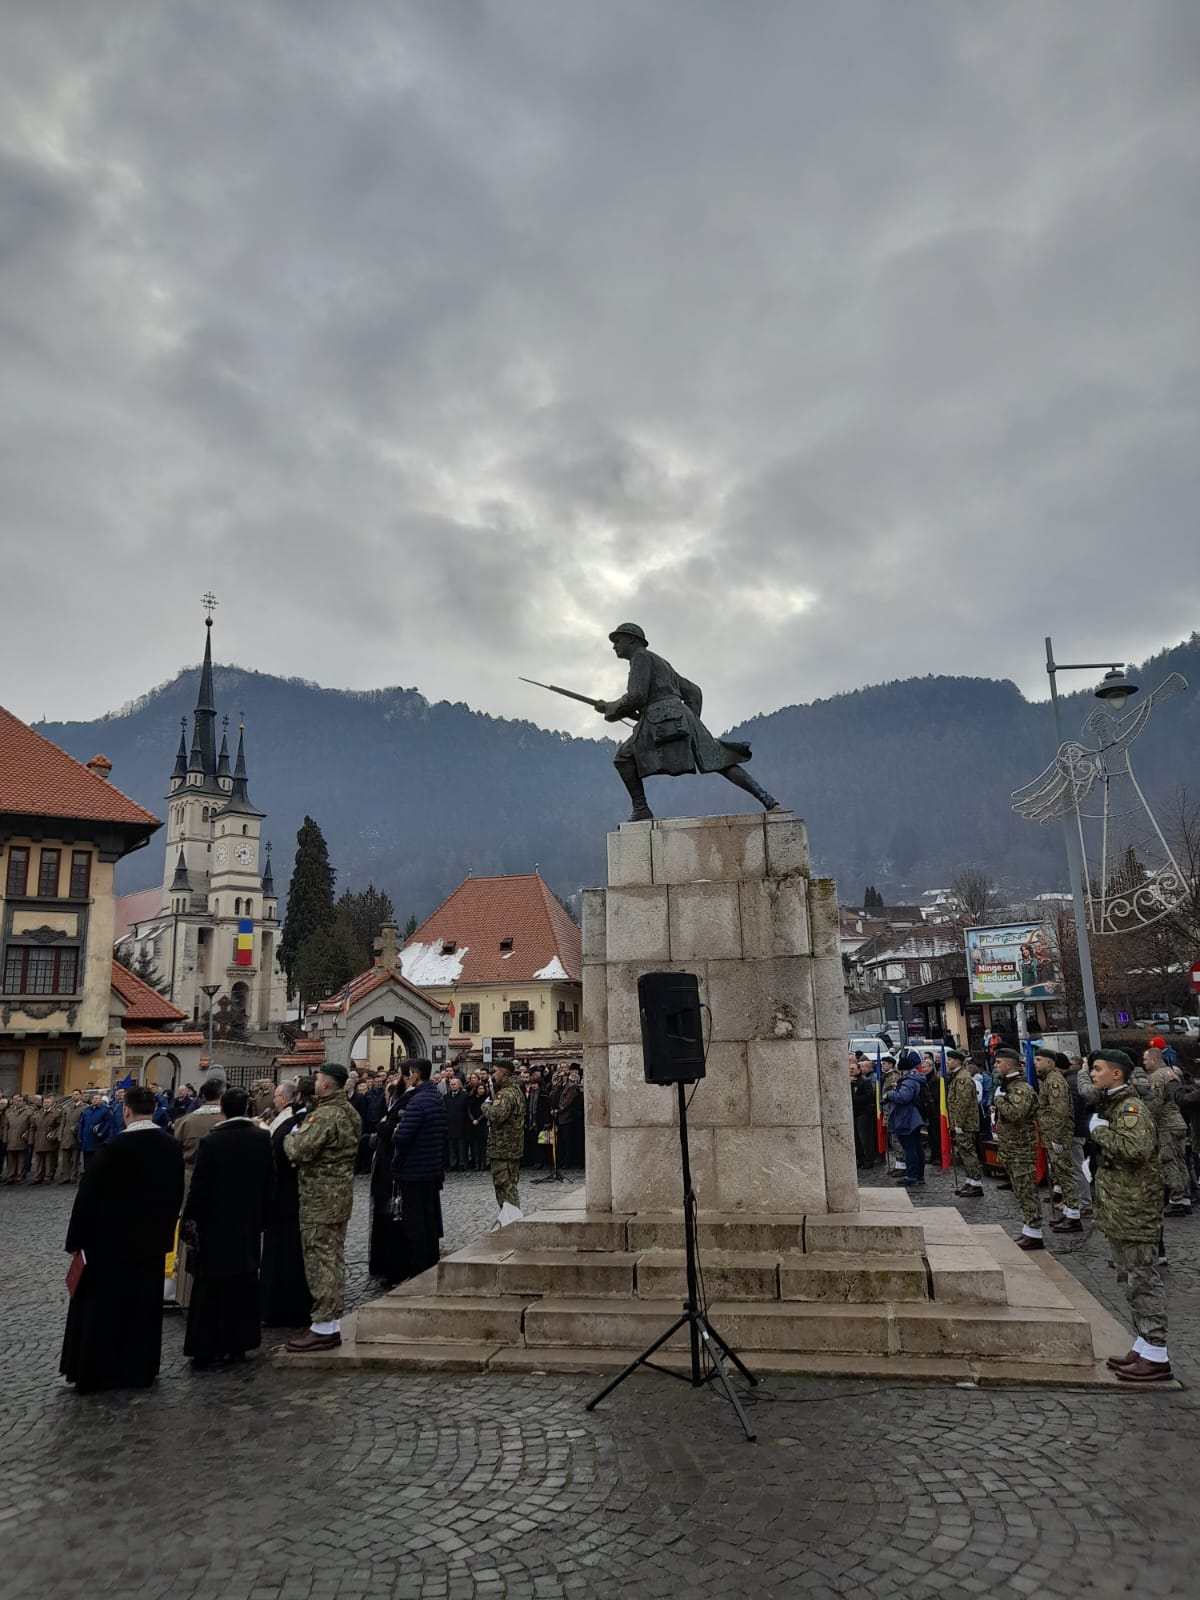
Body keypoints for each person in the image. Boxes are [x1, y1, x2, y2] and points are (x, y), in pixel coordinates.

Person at [59, 1085, 184, 1393]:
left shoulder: (113, 1148)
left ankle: (100, 1371)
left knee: (105, 1310)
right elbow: (175, 1195)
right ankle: (139, 1369)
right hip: (150, 1244)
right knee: (142, 1309)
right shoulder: (170, 1147)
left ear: (126, 1111)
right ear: (153, 1110)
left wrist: (76, 1239)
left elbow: (87, 1198)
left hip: (109, 1245)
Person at [596, 623, 779, 821]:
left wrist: (611, 708)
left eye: (617, 640)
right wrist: (688, 719)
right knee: (720, 760)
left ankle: (641, 809)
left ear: (632, 639)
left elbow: (636, 697)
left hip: (660, 719)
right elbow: (693, 691)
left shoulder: (640, 657)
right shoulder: (661, 662)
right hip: (682, 716)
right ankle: (768, 799)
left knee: (623, 758)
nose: (614, 646)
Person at [1086, 1049, 1172, 1382]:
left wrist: (1099, 1132)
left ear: (1117, 1074)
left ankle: (1157, 1353)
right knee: (1129, 1279)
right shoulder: (1114, 1105)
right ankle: (1143, 1344)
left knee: (1143, 1281)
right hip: (1122, 1209)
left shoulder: (1130, 1108)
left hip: (1136, 1209)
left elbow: (1134, 1150)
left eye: (1097, 1069)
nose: (1093, 1075)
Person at [180, 1087, 274, 1367]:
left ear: (223, 1109)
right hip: (247, 1223)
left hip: (215, 1224)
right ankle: (239, 1343)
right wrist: (263, 1218)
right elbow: (270, 1182)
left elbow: (200, 1186)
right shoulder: (262, 1138)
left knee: (211, 1287)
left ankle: (208, 1345)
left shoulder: (212, 1142)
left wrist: (190, 1217)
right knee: (243, 1283)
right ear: (247, 1109)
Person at [283, 1062, 361, 1352]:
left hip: (321, 1198)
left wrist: (291, 1134)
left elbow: (299, 1149)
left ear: (326, 1084)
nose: (314, 1083)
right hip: (339, 1196)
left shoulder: (326, 1115)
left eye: (318, 1079)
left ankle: (324, 1325)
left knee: (320, 1259)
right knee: (333, 1257)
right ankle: (329, 1322)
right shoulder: (348, 1111)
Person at [261, 1077, 314, 1327]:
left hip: (289, 1195)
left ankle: (283, 1306)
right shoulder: (293, 1119)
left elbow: (289, 1152)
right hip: (287, 1195)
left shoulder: (300, 1121)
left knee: (288, 1252)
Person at [390, 1059, 448, 1279]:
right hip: (431, 1167)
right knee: (429, 1218)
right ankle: (431, 1260)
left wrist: (396, 1129)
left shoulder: (417, 1101)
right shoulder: (436, 1097)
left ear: (414, 1074)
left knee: (415, 1222)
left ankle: (419, 1267)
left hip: (414, 1169)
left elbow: (403, 1136)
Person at [993, 1047, 1044, 1250]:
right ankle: (1029, 1230)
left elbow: (1015, 1113)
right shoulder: (1009, 1087)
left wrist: (998, 1099)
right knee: (1021, 1192)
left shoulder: (1021, 1089)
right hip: (1012, 1148)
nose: (996, 1066)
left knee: (1027, 1191)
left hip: (1022, 1149)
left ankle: (1034, 1231)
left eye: (999, 1063)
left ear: (1009, 1065)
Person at [1034, 1049, 1083, 1234]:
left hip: (1058, 1135)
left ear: (1050, 1062)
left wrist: (1055, 1137)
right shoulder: (1047, 1080)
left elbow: (1059, 1111)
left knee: (1065, 1175)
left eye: (1039, 1060)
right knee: (1060, 1175)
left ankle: (1074, 1215)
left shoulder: (1054, 1081)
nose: (1035, 1063)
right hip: (1052, 1134)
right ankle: (1069, 1211)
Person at [368, 1074, 410, 1283]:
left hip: (389, 1176)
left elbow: (389, 1134)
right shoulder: (389, 1113)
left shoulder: (395, 1115)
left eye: (387, 1092)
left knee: (390, 1221)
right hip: (383, 1175)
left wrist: (381, 1128)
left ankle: (391, 1266)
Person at [1142, 1045, 1191, 1217]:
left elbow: (1155, 1102)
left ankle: (1175, 1200)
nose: (1144, 1063)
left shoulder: (1156, 1077)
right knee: (1180, 1161)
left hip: (1166, 1125)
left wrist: (1146, 1119)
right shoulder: (1172, 1073)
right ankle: (1185, 1198)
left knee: (1168, 1161)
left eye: (1146, 1060)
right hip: (1179, 1123)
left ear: (1154, 1060)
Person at [483, 1059, 526, 1225]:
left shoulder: (506, 1094)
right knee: (510, 1185)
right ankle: (511, 1219)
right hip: (512, 1146)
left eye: (495, 1072)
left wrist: (486, 1106)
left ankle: (512, 1222)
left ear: (503, 1072)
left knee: (504, 1186)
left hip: (503, 1147)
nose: (494, 1075)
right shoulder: (516, 1091)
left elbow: (496, 1115)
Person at [884, 1051, 926, 1187]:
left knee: (910, 1148)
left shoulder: (908, 1081)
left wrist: (890, 1094)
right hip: (914, 1117)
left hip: (906, 1118)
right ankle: (919, 1175)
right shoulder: (915, 1079)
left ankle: (911, 1176)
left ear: (901, 1070)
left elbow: (903, 1098)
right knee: (916, 1147)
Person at [946, 1050, 984, 1198]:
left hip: (966, 1123)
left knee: (968, 1152)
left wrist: (959, 1124)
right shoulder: (956, 1076)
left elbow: (963, 1103)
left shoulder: (962, 1078)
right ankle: (970, 1180)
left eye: (950, 1060)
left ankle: (976, 1183)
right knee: (964, 1152)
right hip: (961, 1122)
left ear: (958, 1061)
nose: (948, 1062)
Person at [3, 1094, 34, 1184]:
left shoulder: (29, 1112)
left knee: (21, 1159)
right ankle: (10, 1176)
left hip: (22, 1139)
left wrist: (28, 1136)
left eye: (20, 1101)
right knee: (11, 1159)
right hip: (11, 1138)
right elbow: (6, 1126)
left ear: (24, 1102)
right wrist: (5, 1138)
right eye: (16, 1100)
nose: (17, 1102)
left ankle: (19, 1176)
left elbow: (32, 1126)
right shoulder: (9, 1112)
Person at [57, 1090, 85, 1184]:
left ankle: (73, 1176)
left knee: (75, 1158)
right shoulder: (67, 1108)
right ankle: (66, 1176)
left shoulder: (84, 1107)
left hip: (76, 1135)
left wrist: (77, 1127)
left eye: (76, 1094)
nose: (74, 1096)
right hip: (66, 1135)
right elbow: (62, 1123)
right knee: (65, 1158)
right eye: (73, 1095)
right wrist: (60, 1134)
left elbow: (83, 1122)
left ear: (80, 1096)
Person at [444, 1073, 470, 1172]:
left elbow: (467, 1110)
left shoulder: (465, 1096)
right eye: (451, 1084)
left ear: (459, 1085)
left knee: (461, 1147)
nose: (453, 1085)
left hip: (461, 1125)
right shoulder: (446, 1096)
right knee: (451, 1147)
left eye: (455, 1084)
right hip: (450, 1125)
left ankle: (462, 1164)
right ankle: (452, 1164)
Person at [467, 1075, 490, 1171]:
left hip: (482, 1124)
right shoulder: (471, 1098)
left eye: (483, 1089)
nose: (481, 1090)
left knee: (482, 1146)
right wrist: (473, 1119)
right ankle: (476, 1164)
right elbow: (468, 1110)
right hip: (473, 1124)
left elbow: (486, 1112)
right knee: (475, 1146)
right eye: (480, 1088)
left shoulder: (486, 1099)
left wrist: (478, 1120)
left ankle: (483, 1164)